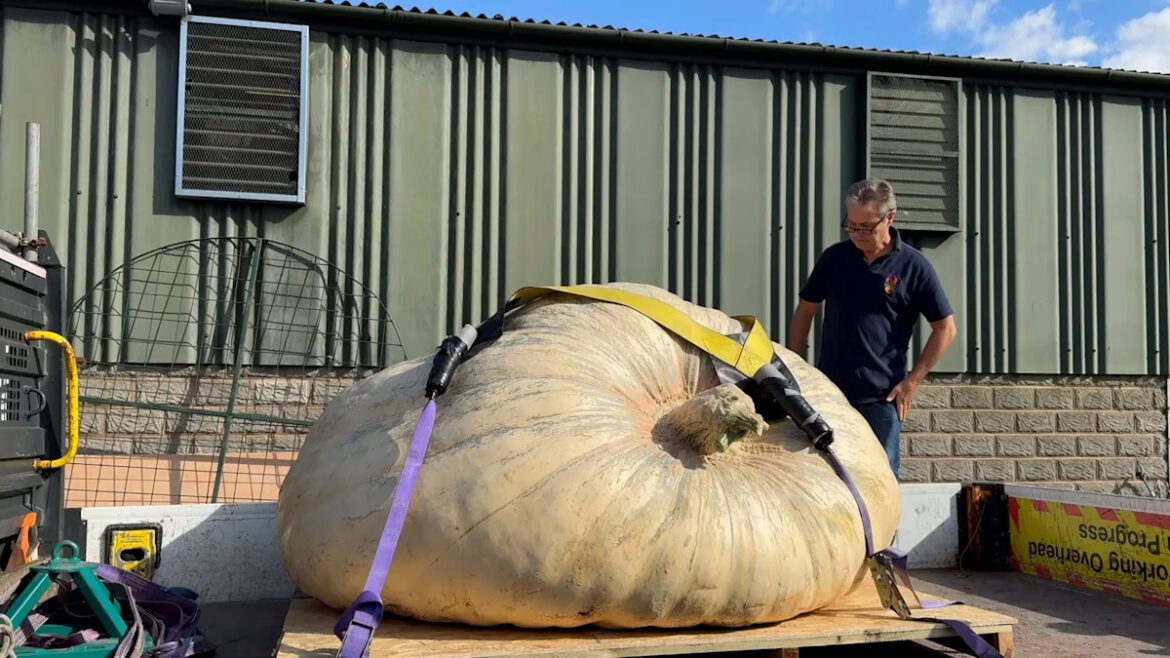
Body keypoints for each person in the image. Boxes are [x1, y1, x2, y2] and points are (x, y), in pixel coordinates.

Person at [787, 178, 956, 478]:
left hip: (882, 400)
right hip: (829, 395)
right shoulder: (834, 259)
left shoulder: (914, 267)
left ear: (889, 217)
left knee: (880, 483)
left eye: (865, 226)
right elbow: (806, 310)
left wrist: (912, 382)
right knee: (827, 479)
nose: (857, 233)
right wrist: (793, 365)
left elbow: (945, 328)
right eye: (851, 225)